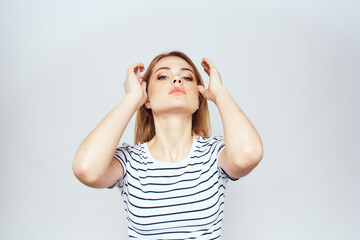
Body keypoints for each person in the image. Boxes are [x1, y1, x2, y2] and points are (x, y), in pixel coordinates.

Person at [72, 51, 263, 239]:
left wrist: (220, 93)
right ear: (146, 98)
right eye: (163, 76)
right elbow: (86, 169)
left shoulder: (215, 154)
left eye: (187, 77)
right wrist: (131, 99)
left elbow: (249, 154)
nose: (177, 80)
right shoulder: (129, 160)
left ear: (199, 98)